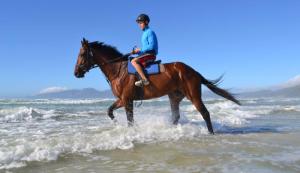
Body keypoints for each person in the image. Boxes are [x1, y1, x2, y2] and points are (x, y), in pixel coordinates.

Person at [131, 14, 158, 87]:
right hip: (146, 54)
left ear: (146, 22)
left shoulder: (150, 32)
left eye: (141, 23)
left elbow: (151, 46)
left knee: (133, 61)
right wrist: (137, 52)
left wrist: (140, 49)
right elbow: (145, 49)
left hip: (151, 55)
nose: (139, 25)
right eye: (139, 23)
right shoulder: (144, 34)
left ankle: (145, 80)